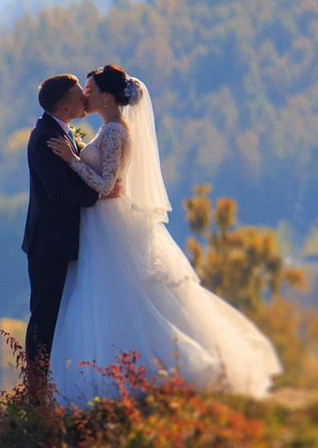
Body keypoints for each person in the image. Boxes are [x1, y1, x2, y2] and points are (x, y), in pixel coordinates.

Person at [41, 63, 281, 401]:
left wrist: (72, 160)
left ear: (107, 97)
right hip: (101, 223)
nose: (85, 95)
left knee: (115, 295)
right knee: (106, 294)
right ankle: (112, 370)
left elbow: (106, 184)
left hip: (108, 224)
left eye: (90, 91)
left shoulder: (114, 132)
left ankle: (128, 373)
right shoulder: (109, 129)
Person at [19, 72, 101, 394]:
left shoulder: (58, 132)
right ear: (66, 107)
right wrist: (100, 194)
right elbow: (59, 190)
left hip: (57, 242)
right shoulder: (45, 139)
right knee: (44, 317)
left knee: (55, 315)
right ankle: (36, 391)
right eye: (80, 93)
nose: (85, 97)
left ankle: (49, 386)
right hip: (48, 245)